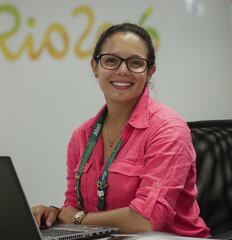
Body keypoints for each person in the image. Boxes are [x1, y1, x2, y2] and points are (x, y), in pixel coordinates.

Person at [31, 23, 210, 238]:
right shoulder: (82, 136)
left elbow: (146, 220)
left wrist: (78, 219)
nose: (122, 70)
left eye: (135, 63)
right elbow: (73, 205)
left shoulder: (168, 129)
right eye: (111, 61)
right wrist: (55, 214)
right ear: (95, 67)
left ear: (150, 72)